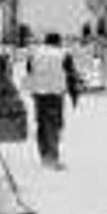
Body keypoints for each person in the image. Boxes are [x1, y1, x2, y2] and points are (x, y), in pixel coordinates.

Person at [24, 32, 80, 170]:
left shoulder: (35, 53)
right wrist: (74, 96)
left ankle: (44, 154)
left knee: (42, 123)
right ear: (58, 42)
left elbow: (29, 69)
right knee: (54, 124)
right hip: (55, 93)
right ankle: (53, 157)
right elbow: (71, 75)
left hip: (38, 93)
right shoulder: (64, 54)